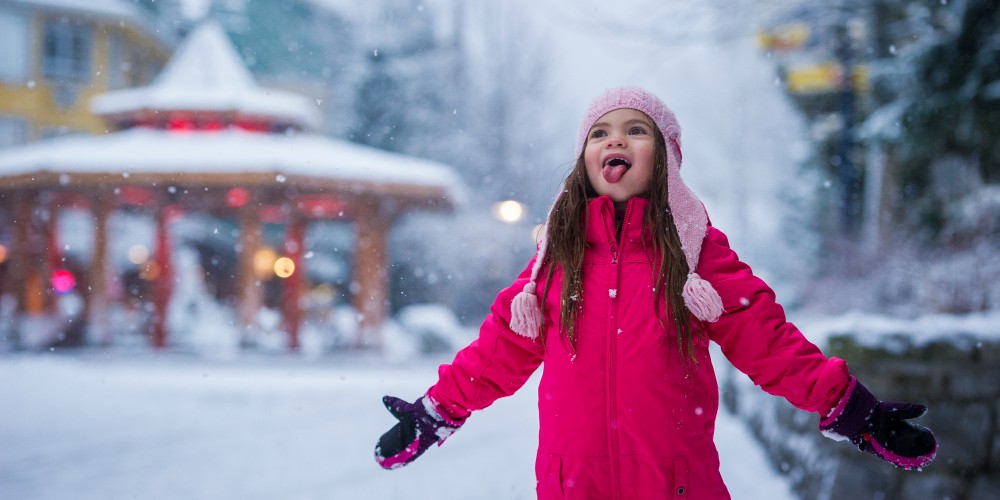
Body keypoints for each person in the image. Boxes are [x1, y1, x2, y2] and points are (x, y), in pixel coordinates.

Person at [373, 86, 937, 498]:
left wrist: (856, 412)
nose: (615, 138)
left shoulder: (696, 255)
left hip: (676, 485)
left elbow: (767, 340)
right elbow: (498, 350)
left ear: (665, 159)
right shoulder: (554, 262)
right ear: (585, 161)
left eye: (635, 130)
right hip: (575, 485)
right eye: (600, 132)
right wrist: (434, 412)